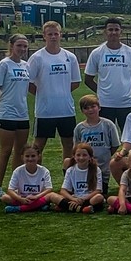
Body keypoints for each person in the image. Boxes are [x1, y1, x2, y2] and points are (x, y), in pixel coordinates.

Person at [27, 21, 81, 162]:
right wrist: (44, 93)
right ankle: (35, 177)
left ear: (60, 35)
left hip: (66, 110)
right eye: (49, 34)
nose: (53, 37)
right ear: (44, 36)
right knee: (38, 146)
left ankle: (67, 177)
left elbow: (76, 82)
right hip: (45, 111)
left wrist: (61, 91)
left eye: (56, 34)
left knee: (69, 145)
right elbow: (29, 83)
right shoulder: (37, 58)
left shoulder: (70, 57)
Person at [0, 34, 31, 200]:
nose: (22, 49)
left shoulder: (26, 65)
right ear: (11, 46)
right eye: (19, 45)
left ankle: (15, 187)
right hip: (6, 115)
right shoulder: (4, 65)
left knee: (19, 152)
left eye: (25, 46)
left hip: (22, 114)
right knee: (5, 151)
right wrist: (1, 105)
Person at [83, 17, 131, 132]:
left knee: (129, 136)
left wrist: (126, 91)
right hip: (105, 104)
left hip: (125, 103)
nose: (113, 32)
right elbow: (88, 79)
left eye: (116, 29)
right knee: (106, 136)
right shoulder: (97, 53)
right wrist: (102, 92)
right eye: (110, 30)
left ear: (121, 31)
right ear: (105, 32)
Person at [71, 94, 121, 194]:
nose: (90, 110)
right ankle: (72, 186)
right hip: (85, 165)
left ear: (99, 107)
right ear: (82, 111)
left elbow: (115, 145)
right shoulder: (79, 128)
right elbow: (77, 147)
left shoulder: (108, 124)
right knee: (68, 162)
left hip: (103, 166)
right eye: (86, 108)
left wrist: (106, 156)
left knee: (101, 193)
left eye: (93, 107)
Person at [47, 142, 105, 213]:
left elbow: (98, 191)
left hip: (89, 198)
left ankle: (69, 207)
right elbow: (63, 190)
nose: (81, 158)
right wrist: (73, 199)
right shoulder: (70, 170)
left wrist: (82, 199)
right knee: (53, 196)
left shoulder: (96, 169)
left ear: (90, 157)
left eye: (84, 155)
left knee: (99, 197)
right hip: (75, 197)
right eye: (78, 155)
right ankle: (83, 209)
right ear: (74, 157)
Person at [0, 143, 53, 213]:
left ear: (38, 156)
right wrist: (20, 199)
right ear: (22, 157)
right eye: (27, 156)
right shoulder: (18, 171)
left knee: (50, 196)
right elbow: (10, 190)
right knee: (5, 197)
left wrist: (36, 197)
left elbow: (49, 189)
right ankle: (38, 206)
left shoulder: (44, 171)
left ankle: (19, 208)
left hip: (38, 198)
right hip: (22, 198)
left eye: (33, 156)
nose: (30, 159)